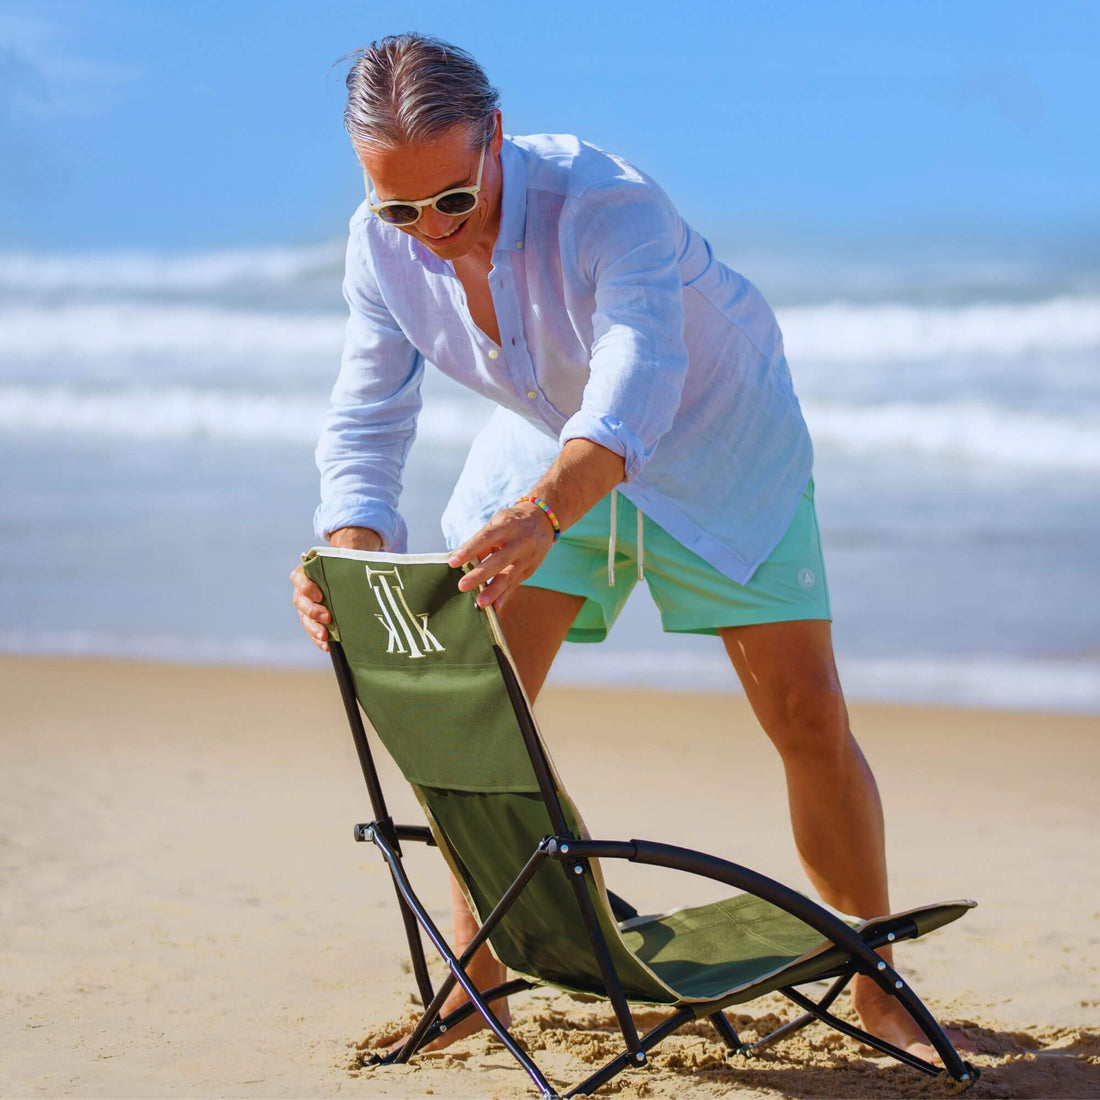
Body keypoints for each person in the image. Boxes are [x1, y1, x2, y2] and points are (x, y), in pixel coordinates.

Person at [290, 32, 956, 1060]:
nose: (430, 233)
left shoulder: (606, 201)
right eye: (399, 208)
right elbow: (367, 416)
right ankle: (482, 972)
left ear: (493, 138)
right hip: (541, 448)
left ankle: (873, 977)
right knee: (473, 712)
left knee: (807, 714)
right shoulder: (379, 245)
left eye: (452, 202)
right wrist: (353, 560)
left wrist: (550, 507)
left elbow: (636, 372)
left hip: (714, 443)